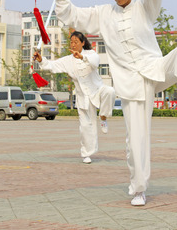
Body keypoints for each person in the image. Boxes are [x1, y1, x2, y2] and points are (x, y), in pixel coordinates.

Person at [43, 0, 177, 206]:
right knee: (137, 140)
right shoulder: (103, 14)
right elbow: (73, 15)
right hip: (132, 84)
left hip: (155, 69)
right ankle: (138, 188)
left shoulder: (146, 7)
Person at [33, 31, 116, 164]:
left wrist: (82, 57)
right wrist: (41, 59)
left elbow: (95, 62)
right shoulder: (68, 60)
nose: (73, 44)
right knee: (85, 127)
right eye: (71, 42)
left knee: (110, 91)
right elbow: (53, 66)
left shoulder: (91, 54)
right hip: (83, 96)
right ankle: (86, 154)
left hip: (97, 90)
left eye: (76, 42)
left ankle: (104, 116)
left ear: (83, 43)